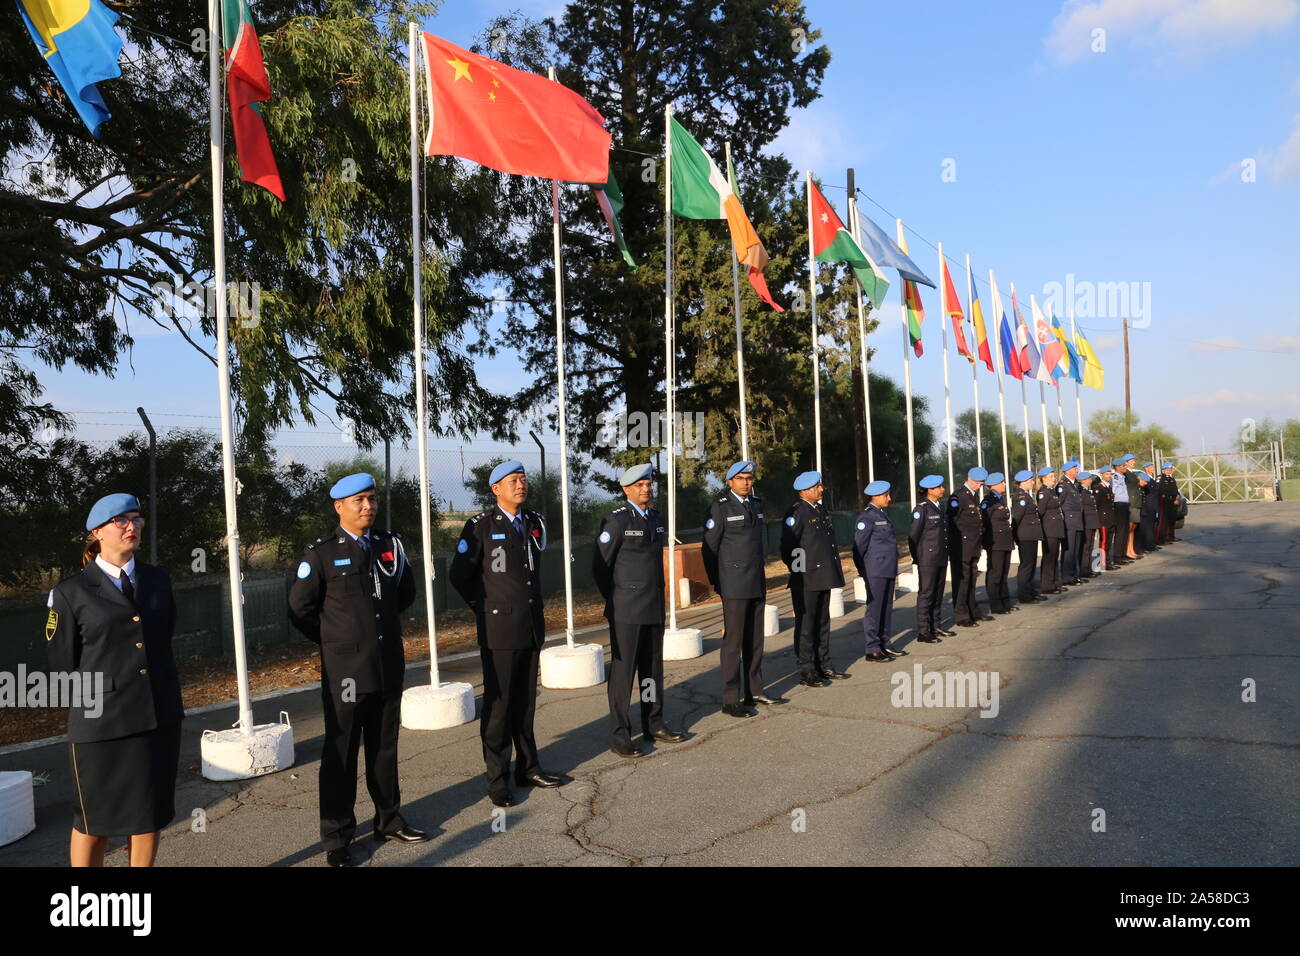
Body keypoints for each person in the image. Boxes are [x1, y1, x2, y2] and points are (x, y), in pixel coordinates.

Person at [288, 472, 428, 866]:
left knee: (384, 747)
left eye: (371, 499)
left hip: (386, 663)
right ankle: (337, 837)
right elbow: (300, 609)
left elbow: (404, 593)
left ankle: (389, 819)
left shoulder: (389, 545)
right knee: (342, 752)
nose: (368, 506)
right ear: (339, 507)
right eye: (358, 501)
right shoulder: (321, 554)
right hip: (346, 672)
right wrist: (337, 641)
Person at [46, 493, 183, 867]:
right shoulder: (70, 593)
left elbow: (162, 639)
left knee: (149, 813)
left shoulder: (158, 580)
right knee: (94, 821)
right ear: (97, 532)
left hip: (156, 716)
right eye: (120, 520)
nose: (131, 526)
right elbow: (62, 665)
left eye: (137, 519)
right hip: (102, 726)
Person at [448, 461, 563, 808]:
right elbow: (460, 575)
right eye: (513, 480)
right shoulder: (481, 526)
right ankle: (498, 780)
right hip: (498, 629)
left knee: (525, 703)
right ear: (496, 489)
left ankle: (529, 767)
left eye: (523, 479)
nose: (521, 484)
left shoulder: (534, 522)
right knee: (499, 706)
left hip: (529, 624)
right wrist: (485, 608)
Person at [592, 464, 687, 758]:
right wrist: (617, 596)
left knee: (652, 671)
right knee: (623, 675)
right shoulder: (617, 520)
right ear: (626, 489)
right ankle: (620, 734)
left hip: (653, 606)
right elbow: (600, 566)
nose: (646, 489)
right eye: (639, 485)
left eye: (648, 484)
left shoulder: (655, 518)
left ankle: (653, 723)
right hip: (626, 609)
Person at [702, 461, 786, 717]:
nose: (746, 482)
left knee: (755, 640)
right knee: (734, 642)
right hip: (734, 584)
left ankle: (755, 690)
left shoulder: (756, 505)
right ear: (730, 481)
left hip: (755, 581)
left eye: (749, 478)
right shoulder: (720, 507)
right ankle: (731, 698)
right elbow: (709, 549)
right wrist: (719, 582)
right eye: (740, 478)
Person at [780, 471, 849, 686]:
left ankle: (824, 664)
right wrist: (800, 574)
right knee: (806, 626)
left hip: (823, 576)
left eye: (820, 485)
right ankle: (807, 669)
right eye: (817, 486)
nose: (821, 489)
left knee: (822, 622)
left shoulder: (820, 509)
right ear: (805, 490)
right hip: (806, 579)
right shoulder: (797, 513)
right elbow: (789, 548)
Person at [853, 480, 903, 662]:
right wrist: (863, 570)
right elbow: (858, 547)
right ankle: (872, 648)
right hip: (875, 571)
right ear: (875, 496)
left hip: (888, 568)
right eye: (886, 495)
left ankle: (885, 643)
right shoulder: (866, 517)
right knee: (874, 610)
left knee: (887, 608)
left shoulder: (882, 514)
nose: (889, 498)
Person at [908, 475, 951, 643]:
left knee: (938, 593)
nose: (943, 489)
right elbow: (913, 537)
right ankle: (923, 631)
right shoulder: (922, 509)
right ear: (929, 490)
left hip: (940, 556)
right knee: (926, 594)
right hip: (927, 558)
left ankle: (936, 626)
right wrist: (918, 557)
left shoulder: (940, 506)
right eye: (939, 487)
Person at [948, 466, 990, 627]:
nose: (980, 486)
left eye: (982, 484)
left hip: (973, 544)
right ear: (970, 479)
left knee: (971, 579)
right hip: (962, 546)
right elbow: (951, 522)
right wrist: (955, 545)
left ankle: (973, 611)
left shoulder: (973, 495)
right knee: (962, 581)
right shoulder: (958, 497)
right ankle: (962, 615)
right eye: (978, 483)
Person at [981, 473, 1015, 614]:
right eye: (1002, 482)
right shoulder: (988, 501)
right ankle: (996, 604)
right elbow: (984, 523)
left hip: (1005, 540)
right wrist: (985, 542)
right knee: (995, 573)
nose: (1004, 485)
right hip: (995, 542)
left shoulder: (1000, 499)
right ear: (994, 484)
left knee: (1004, 573)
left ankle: (1005, 602)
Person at [1010, 470, 1044, 603]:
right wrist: (1016, 536)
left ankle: (1030, 592)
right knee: (1026, 566)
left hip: (1030, 535)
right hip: (1025, 536)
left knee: (1031, 565)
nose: (1033, 482)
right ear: (1023, 481)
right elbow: (1017, 518)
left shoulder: (1025, 495)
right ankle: (1024, 595)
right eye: (1031, 480)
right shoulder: (1021, 497)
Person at [1036, 466, 1066, 594]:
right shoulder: (1043, 492)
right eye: (1051, 477)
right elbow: (1040, 512)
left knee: (1054, 557)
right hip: (1049, 529)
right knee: (1049, 558)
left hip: (1056, 528)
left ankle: (1054, 583)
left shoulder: (1051, 491)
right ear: (1044, 479)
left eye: (1054, 476)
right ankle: (1047, 585)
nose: (1054, 479)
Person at [1057, 461, 1086, 585]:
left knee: (1075, 550)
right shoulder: (1063, 485)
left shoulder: (1074, 485)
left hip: (1077, 521)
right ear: (1068, 471)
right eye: (1074, 469)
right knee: (1069, 550)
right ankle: (1067, 576)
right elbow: (1058, 503)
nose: (1077, 471)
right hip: (1069, 522)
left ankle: (1074, 575)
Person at [1108, 457, 1134, 566]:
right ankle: (1117, 557)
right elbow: (1113, 491)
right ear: (1117, 467)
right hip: (1118, 505)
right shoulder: (1114, 477)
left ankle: (1123, 555)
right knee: (1120, 531)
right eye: (1123, 466)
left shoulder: (1123, 477)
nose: (1125, 467)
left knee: (1125, 531)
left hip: (1125, 504)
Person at [1095, 464, 1118, 570]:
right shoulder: (1099, 488)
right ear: (1101, 475)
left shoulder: (1108, 487)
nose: (1109, 476)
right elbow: (1097, 505)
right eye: (1107, 474)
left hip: (1111, 518)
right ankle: (1102, 563)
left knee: (1109, 542)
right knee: (1104, 542)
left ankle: (1107, 562)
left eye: (1110, 474)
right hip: (1103, 519)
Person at [1079, 471, 1100, 575]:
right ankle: (1084, 569)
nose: (1091, 480)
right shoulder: (1082, 492)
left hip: (1092, 522)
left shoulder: (1087, 491)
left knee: (1090, 546)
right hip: (1087, 522)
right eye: (1089, 479)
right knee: (1086, 547)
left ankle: (1088, 568)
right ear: (1083, 480)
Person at [1136, 470, 1160, 552]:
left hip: (1148, 508)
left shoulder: (1142, 488)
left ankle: (1149, 545)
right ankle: (1143, 547)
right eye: (1145, 481)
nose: (1146, 483)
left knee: (1150, 527)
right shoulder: (1137, 488)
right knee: (1143, 529)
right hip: (1144, 509)